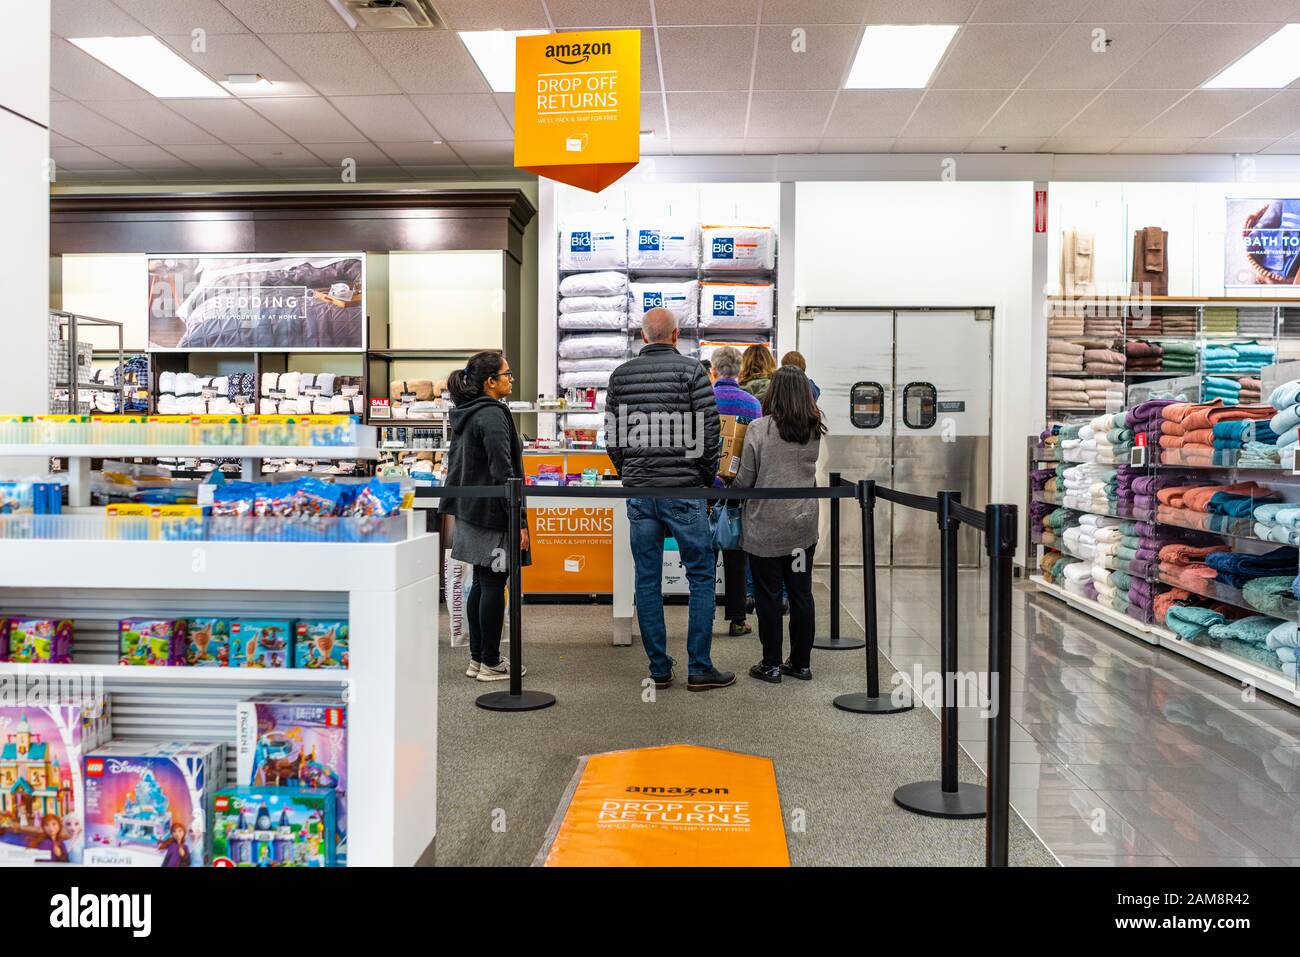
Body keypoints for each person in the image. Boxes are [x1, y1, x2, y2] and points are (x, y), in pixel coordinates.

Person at [605, 307, 732, 691]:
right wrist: (703, 480)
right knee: (700, 577)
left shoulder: (620, 376)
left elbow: (612, 439)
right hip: (684, 491)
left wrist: (630, 474)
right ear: (676, 335)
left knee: (646, 579)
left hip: (642, 492)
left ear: (644, 337)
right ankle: (699, 667)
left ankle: (659, 669)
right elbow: (710, 436)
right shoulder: (693, 371)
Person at [731, 364, 826, 683]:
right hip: (801, 527)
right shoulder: (814, 428)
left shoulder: (759, 429)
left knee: (768, 595)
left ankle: (770, 663)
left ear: (773, 393)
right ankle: (800, 663)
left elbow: (745, 480)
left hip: (765, 529)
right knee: (801, 593)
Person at [441, 350, 530, 682]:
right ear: (490, 382)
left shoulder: (469, 411)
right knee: (492, 583)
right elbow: (503, 470)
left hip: (471, 509)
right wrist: (517, 521)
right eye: (507, 374)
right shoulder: (492, 414)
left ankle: (478, 659)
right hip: (493, 511)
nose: (511, 379)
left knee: (481, 582)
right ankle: (490, 661)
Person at [707, 346, 761, 637]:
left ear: (714, 370)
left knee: (705, 554)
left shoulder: (704, 400)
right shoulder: (752, 404)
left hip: (704, 487)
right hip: (739, 487)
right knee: (736, 553)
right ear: (739, 371)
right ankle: (738, 619)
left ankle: (702, 616)